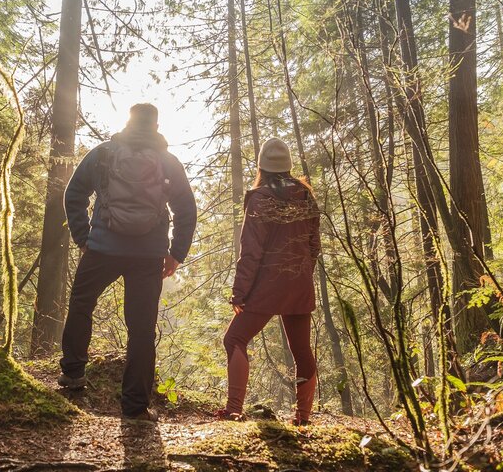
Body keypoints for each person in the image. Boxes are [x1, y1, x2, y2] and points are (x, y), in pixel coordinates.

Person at [59, 103, 197, 421]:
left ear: (129, 120)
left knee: (81, 303)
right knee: (141, 330)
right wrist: (176, 253)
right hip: (148, 255)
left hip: (103, 249)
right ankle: (135, 407)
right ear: (156, 124)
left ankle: (73, 374)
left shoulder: (104, 154)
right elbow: (186, 211)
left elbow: (74, 195)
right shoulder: (167, 161)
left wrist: (83, 237)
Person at [221, 137, 320, 425]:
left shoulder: (260, 199)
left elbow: (251, 252)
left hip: (266, 287)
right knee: (302, 350)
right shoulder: (305, 196)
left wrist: (239, 292)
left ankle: (234, 409)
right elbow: (314, 245)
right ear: (288, 166)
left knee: (235, 338)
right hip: (299, 284)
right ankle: (302, 418)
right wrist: (302, 274)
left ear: (262, 167)